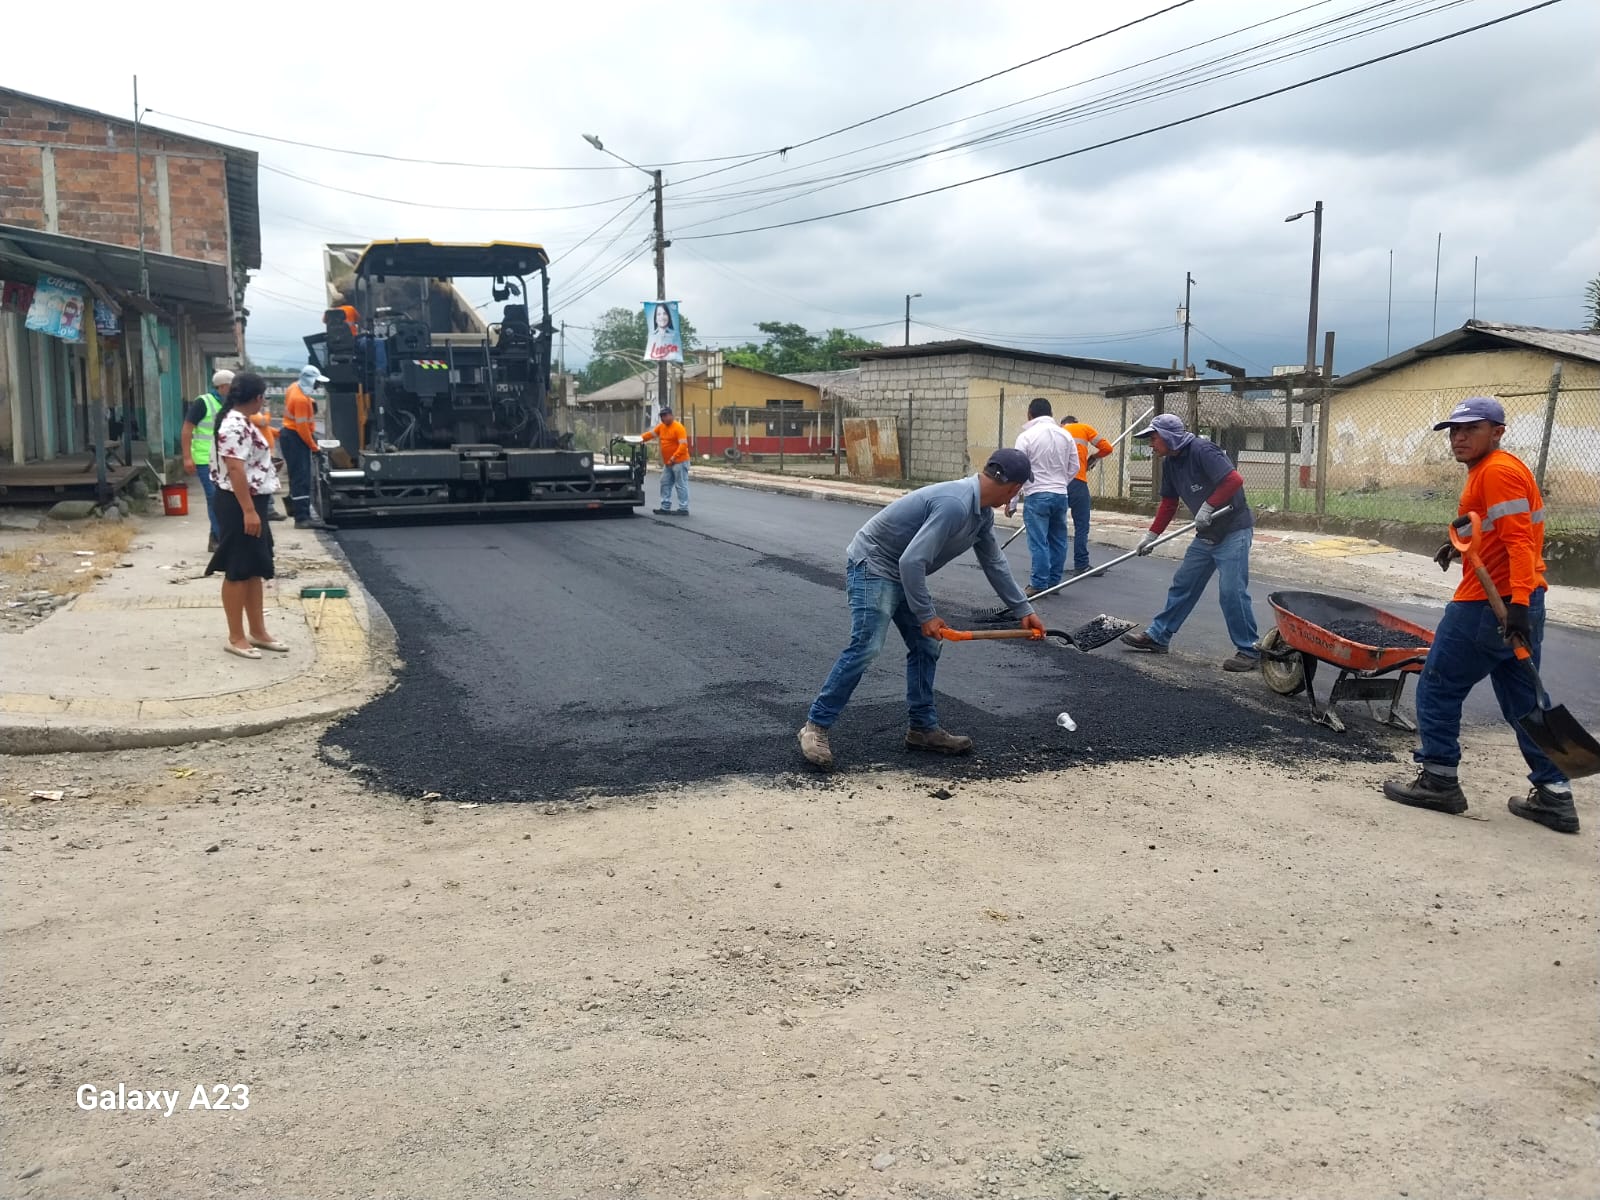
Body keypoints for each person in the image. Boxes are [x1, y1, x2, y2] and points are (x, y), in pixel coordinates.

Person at [1382, 397, 1578, 833]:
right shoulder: (1494, 469)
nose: (1459, 437)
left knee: (1437, 685)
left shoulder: (1497, 472)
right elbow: (1492, 526)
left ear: (1498, 432)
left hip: (1490, 606)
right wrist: (1460, 545)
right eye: (1454, 430)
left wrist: (1518, 605)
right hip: (1518, 602)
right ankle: (1556, 795)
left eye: (1471, 428)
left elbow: (1520, 542)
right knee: (1526, 702)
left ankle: (1439, 780)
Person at [798, 449, 1046, 769]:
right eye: (1019, 491)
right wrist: (926, 615)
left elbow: (994, 563)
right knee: (867, 646)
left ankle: (922, 729)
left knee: (927, 643)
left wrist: (1023, 609)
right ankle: (815, 726)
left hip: (902, 571)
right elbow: (912, 561)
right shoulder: (955, 504)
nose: (1017, 496)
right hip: (873, 565)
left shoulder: (981, 514)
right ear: (1013, 487)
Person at [1120, 413, 1260, 672]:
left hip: (1233, 529)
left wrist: (1208, 506)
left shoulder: (1202, 450)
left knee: (1231, 591)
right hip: (1207, 533)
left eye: (1153, 438)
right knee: (1184, 584)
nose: (1151, 444)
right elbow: (1168, 503)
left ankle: (1249, 650)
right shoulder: (1171, 463)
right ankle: (1158, 636)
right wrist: (1151, 536)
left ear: (1168, 437)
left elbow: (1234, 480)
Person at [204, 371, 288, 660]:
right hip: (239, 504)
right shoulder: (234, 425)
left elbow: (246, 463)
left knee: (254, 567)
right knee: (238, 569)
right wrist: (249, 511)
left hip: (252, 501)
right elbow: (235, 469)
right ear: (258, 397)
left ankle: (258, 631)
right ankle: (236, 637)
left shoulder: (243, 421)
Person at [1012, 397, 1079, 596]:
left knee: (1039, 541)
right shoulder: (1065, 435)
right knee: (1058, 540)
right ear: (1051, 414)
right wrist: (1061, 483)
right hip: (1060, 494)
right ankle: (1053, 583)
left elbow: (1018, 470)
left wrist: (1012, 501)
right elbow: (1074, 467)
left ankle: (1039, 583)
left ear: (1029, 414)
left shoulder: (1026, 437)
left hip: (1037, 494)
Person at [181, 369, 233, 553]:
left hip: (223, 459)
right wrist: (187, 457)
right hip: (204, 459)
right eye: (231, 387)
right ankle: (220, 539)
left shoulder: (230, 404)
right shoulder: (203, 402)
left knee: (221, 499)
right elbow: (187, 429)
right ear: (222, 386)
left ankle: (215, 539)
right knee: (214, 498)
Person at [1059, 414, 1114, 574]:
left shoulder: (1055, 432)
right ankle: (1081, 564)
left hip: (1057, 484)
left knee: (1055, 526)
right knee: (1081, 525)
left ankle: (1051, 566)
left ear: (1062, 424)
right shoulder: (1084, 428)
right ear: (1076, 422)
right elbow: (1107, 448)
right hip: (1077, 482)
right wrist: (1093, 458)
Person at [282, 365, 329, 529]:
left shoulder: (293, 387)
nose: (318, 385)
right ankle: (302, 518)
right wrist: (314, 447)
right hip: (296, 438)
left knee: (296, 476)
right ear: (309, 380)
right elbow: (302, 429)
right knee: (301, 478)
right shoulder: (301, 400)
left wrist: (311, 402)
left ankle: (300, 512)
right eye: (317, 382)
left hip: (289, 435)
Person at [641, 405, 691, 515]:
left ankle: (683, 508)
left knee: (680, 484)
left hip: (679, 461)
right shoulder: (661, 427)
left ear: (671, 415)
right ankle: (665, 507)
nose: (663, 418)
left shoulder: (678, 428)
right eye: (662, 416)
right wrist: (639, 439)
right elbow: (650, 435)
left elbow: (683, 445)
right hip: (668, 463)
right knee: (665, 483)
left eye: (665, 415)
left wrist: (674, 457)